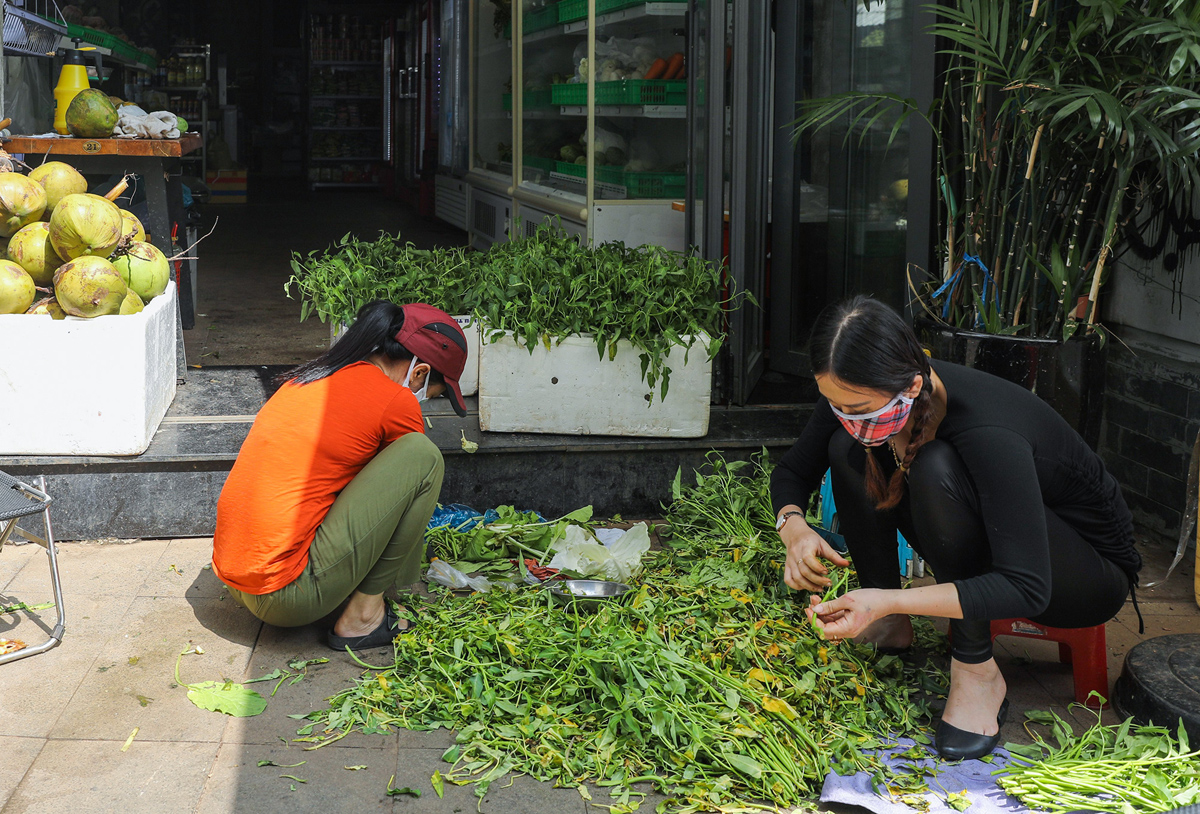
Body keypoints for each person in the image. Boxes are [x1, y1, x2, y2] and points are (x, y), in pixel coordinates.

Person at [770, 295, 1141, 760]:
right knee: (847, 451)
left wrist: (888, 599)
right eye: (835, 404)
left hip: (1084, 573)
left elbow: (1027, 588)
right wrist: (796, 529)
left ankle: (977, 672)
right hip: (1008, 547)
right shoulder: (860, 392)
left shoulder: (988, 430)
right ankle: (891, 627)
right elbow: (792, 472)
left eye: (858, 408)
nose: (848, 417)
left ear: (909, 385)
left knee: (934, 466)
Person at [212, 300, 469, 651]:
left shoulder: (309, 377)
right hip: (286, 597)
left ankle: (367, 598)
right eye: (434, 394)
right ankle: (364, 615)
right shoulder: (396, 399)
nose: (425, 400)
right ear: (420, 373)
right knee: (422, 457)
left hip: (234, 578)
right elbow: (400, 493)